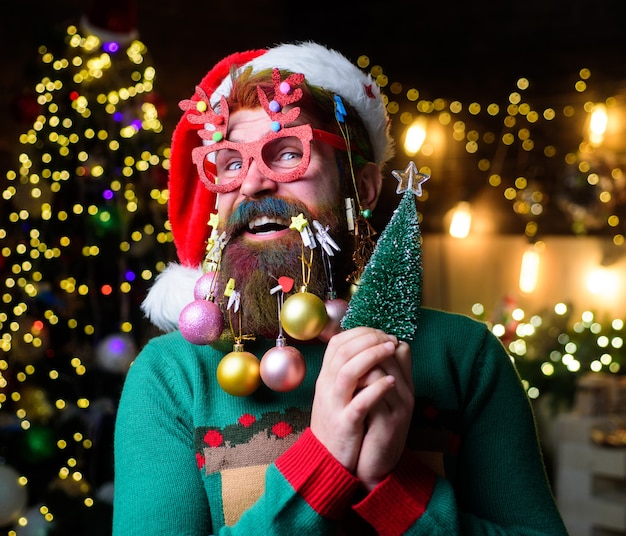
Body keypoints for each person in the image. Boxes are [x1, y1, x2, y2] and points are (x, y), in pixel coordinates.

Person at [112, 41, 568, 535]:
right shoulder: (170, 377)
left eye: (287, 153)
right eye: (229, 164)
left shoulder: (465, 356)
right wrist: (322, 464)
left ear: (364, 186)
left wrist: (391, 487)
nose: (252, 184)